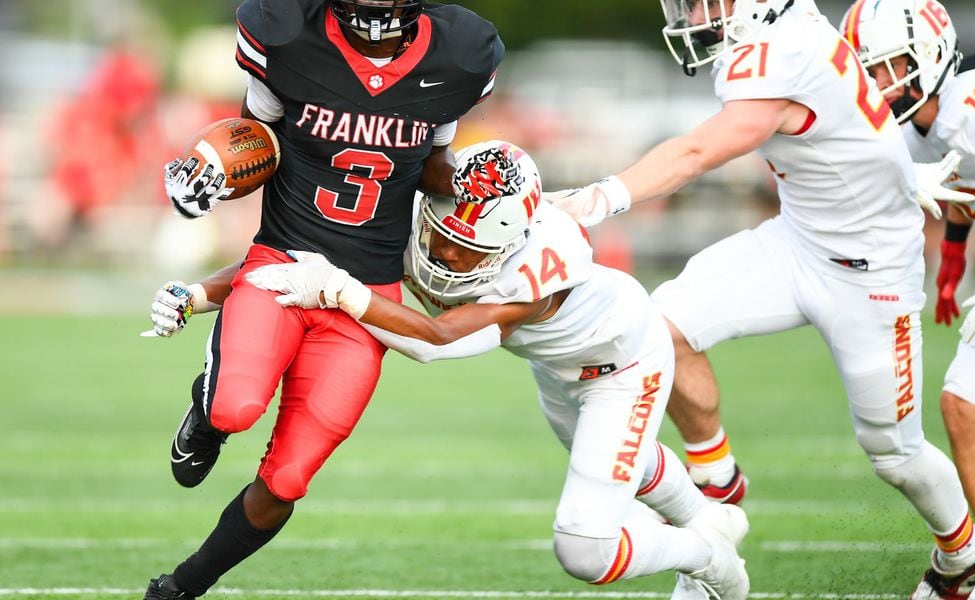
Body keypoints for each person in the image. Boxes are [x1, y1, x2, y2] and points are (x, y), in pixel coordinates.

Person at [543, 0, 975, 596]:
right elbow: (852, 130)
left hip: (872, 271)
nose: (693, 14)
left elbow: (700, 151)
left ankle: (965, 553)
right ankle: (715, 482)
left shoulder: (785, 47)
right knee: (658, 327)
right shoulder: (788, 33)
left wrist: (597, 198)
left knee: (894, 453)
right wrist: (902, 176)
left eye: (706, 1)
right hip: (796, 240)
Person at [242, 140, 751, 599]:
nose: (445, 254)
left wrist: (338, 289)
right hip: (555, 364)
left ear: (511, 242)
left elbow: (436, 342)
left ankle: (710, 561)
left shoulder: (542, 263)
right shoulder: (426, 207)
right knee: (616, 458)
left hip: (622, 364)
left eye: (469, 248)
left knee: (584, 549)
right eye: (441, 234)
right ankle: (711, 519)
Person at [142, 1, 503, 598]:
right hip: (281, 265)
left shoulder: (457, 54)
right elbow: (254, 140)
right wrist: (210, 174)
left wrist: (467, 180)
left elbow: (431, 164)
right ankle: (207, 410)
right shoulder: (289, 33)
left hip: (364, 295)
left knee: (287, 479)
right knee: (236, 408)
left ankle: (183, 587)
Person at [841, 0, 975, 595]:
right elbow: (962, 184)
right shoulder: (912, 134)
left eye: (889, 66)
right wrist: (953, 263)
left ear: (930, 54)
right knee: (964, 403)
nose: (879, 84)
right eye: (867, 70)